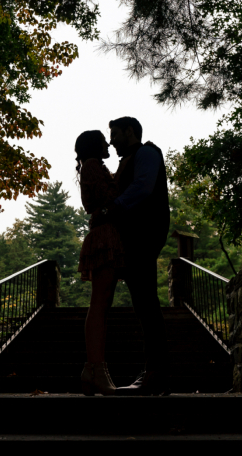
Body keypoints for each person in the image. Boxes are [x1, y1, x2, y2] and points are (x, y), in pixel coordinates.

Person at [98, 116, 171, 396]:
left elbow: (142, 189)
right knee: (143, 303)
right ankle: (155, 372)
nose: (111, 140)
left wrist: (109, 210)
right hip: (132, 240)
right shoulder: (129, 159)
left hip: (144, 236)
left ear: (130, 131)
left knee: (147, 304)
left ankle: (156, 373)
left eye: (115, 134)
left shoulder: (147, 153)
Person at [75, 130, 125, 396]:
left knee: (102, 305)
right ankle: (95, 367)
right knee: (99, 304)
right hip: (104, 236)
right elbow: (110, 199)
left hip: (105, 234)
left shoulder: (91, 166)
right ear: (95, 145)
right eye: (104, 140)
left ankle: (95, 368)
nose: (108, 143)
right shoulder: (93, 166)